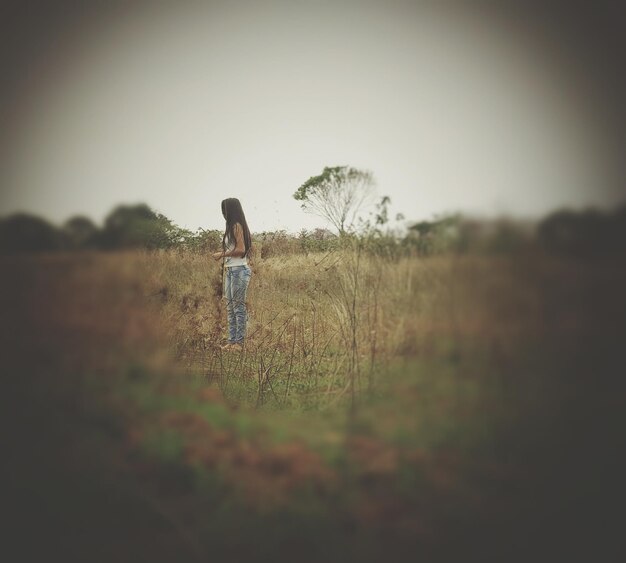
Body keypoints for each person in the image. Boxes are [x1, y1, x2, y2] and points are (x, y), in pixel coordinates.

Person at [212, 198, 252, 351]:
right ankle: (231, 341)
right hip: (230, 271)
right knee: (230, 308)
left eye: (225, 209)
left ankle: (239, 344)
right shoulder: (231, 227)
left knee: (238, 308)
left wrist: (221, 254)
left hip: (239, 271)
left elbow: (241, 250)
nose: (223, 213)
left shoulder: (236, 226)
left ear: (231, 210)